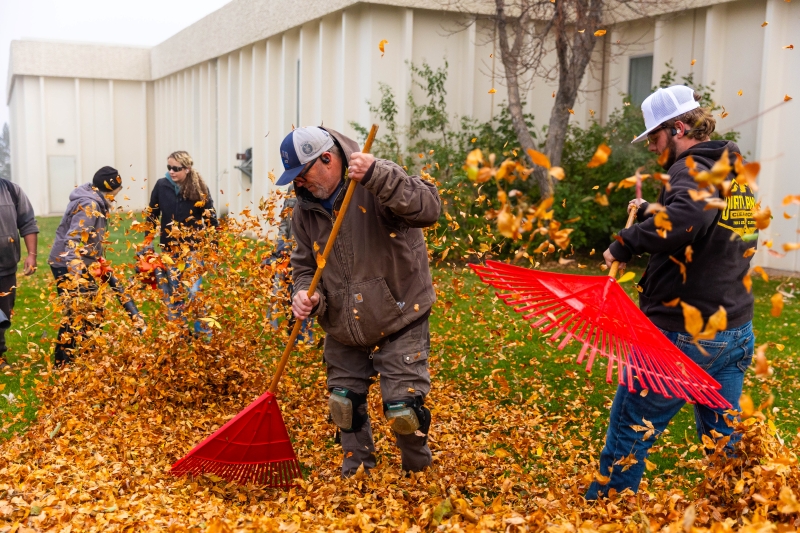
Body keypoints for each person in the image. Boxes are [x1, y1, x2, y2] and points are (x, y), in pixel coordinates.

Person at [586, 85, 756, 499]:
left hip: (683, 334)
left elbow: (685, 221)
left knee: (630, 433)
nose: (653, 150)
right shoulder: (731, 168)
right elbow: (707, 226)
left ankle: (604, 512)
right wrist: (653, 213)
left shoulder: (691, 166)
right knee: (726, 447)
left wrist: (626, 242)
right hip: (733, 331)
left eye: (656, 139)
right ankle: (738, 511)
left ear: (679, 128)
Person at [281, 126, 441, 476]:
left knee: (404, 410)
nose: (299, 185)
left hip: (399, 313)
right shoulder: (304, 211)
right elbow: (306, 266)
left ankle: (419, 474)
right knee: (343, 404)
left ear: (327, 159)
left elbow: (429, 209)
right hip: (343, 324)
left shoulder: (376, 181)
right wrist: (307, 295)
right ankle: (358, 474)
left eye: (302, 175)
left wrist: (379, 175)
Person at [48, 166, 124, 365]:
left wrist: (96, 259)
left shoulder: (92, 198)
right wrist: (76, 275)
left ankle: (86, 355)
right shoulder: (90, 205)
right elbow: (73, 240)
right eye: (119, 189)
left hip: (76, 263)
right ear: (111, 189)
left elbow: (87, 238)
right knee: (78, 311)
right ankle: (64, 362)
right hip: (69, 265)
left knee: (90, 310)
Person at [145, 151, 218, 329]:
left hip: (193, 248)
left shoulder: (199, 187)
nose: (171, 171)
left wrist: (214, 248)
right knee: (175, 294)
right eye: (169, 167)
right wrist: (148, 241)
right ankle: (180, 333)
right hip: (170, 250)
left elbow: (210, 219)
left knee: (194, 292)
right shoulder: (162, 185)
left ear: (187, 169)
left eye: (176, 168)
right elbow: (152, 214)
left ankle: (203, 335)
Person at [0, 178, 39, 369]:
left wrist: (32, 255)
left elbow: (28, 223)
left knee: (3, 314)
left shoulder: (11, 190)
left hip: (5, 267)